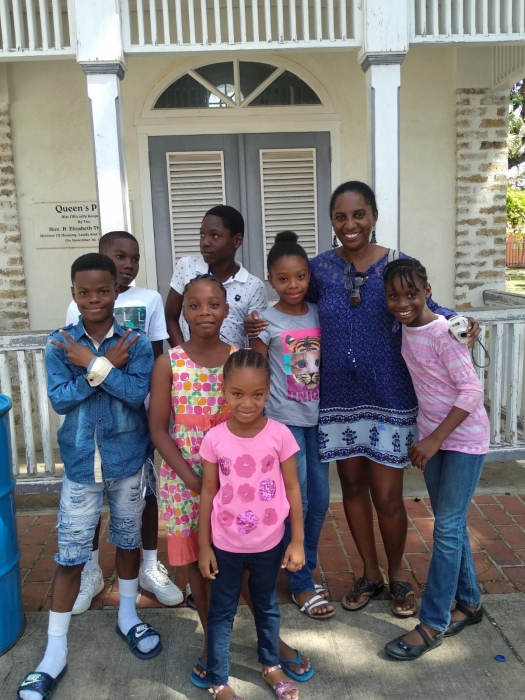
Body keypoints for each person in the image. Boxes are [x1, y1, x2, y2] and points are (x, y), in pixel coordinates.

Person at [246, 181, 478, 618]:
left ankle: (397, 576)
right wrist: (257, 323)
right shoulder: (318, 269)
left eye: (358, 215)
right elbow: (290, 303)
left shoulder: (396, 263)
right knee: (351, 487)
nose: (350, 224)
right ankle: (368, 573)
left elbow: (424, 303)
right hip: (335, 399)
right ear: (332, 223)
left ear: (373, 216)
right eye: (340, 216)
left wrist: (459, 321)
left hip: (389, 396)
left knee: (388, 495)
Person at [149, 275, 312, 690]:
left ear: (227, 309)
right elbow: (158, 429)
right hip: (188, 482)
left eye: (215, 304)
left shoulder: (241, 359)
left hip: (240, 483)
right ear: (182, 311)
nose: (205, 313)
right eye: (194, 305)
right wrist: (194, 479)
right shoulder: (169, 362)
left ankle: (272, 642)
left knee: (246, 569)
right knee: (202, 570)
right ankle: (211, 645)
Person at [17, 253, 161, 700]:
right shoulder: (60, 344)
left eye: (103, 291)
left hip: (128, 461)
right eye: (85, 292)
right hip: (82, 464)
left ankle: (128, 618)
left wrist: (95, 365)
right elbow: (60, 401)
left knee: (127, 540)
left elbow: (139, 393)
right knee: (71, 555)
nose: (94, 299)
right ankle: (54, 651)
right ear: (74, 293)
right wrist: (101, 365)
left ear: (116, 292)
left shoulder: (135, 342)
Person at [66, 231, 181, 614]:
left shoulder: (148, 300)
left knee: (143, 495)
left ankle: (149, 566)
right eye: (120, 256)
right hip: (94, 420)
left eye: (134, 257)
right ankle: (91, 570)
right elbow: (74, 357)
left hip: (139, 415)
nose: (128, 264)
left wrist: (158, 410)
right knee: (93, 497)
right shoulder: (79, 303)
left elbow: (156, 357)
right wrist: (105, 366)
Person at [383, 258, 489, 660]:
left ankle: (433, 622)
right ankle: (470, 603)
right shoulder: (406, 328)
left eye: (411, 293)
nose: (402, 302)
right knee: (452, 525)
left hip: (463, 440)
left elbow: (470, 392)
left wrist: (432, 440)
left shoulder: (445, 333)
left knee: (445, 529)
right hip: (434, 439)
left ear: (428, 292)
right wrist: (428, 439)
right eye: (394, 296)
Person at [198, 348, 305, 700]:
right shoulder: (214, 439)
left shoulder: (280, 436)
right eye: (237, 394)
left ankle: (270, 665)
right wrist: (203, 546)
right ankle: (219, 680)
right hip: (225, 545)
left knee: (267, 606)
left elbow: (292, 489)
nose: (247, 403)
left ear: (268, 391)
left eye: (257, 395)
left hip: (269, 543)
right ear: (224, 390)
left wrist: (297, 541)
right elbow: (209, 491)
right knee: (222, 611)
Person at [249, 231, 333, 619]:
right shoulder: (264, 321)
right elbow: (261, 373)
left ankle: (303, 563)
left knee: (319, 501)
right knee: (293, 502)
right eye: (284, 279)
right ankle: (301, 582)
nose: (293, 285)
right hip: (285, 423)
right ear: (271, 280)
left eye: (300, 277)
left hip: (320, 419)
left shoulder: (320, 311)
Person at [164, 205, 267, 348]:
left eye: (215, 235)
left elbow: (257, 335)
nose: (205, 242)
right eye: (202, 235)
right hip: (189, 366)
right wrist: (184, 357)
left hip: (232, 366)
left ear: (237, 240)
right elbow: (170, 318)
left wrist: (251, 326)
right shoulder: (187, 266)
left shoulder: (253, 286)